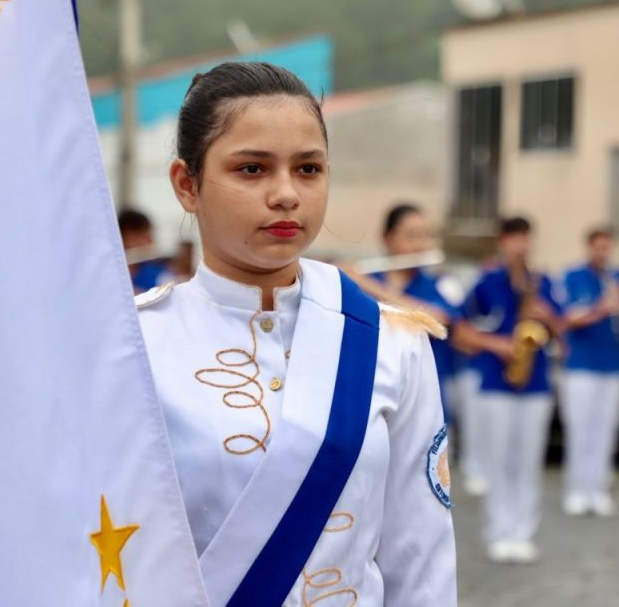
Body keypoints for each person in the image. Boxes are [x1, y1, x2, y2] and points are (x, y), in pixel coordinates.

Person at [134, 62, 456, 606]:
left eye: (308, 169)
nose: (286, 194)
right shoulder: (131, 346)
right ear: (187, 185)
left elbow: (421, 557)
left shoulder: (391, 345)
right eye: (252, 169)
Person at [453, 217, 563, 564]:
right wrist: (497, 344)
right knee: (498, 461)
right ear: (503, 242)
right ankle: (498, 531)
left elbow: (564, 335)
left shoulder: (544, 283)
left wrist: (547, 316)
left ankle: (523, 532)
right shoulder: (487, 282)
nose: (522, 245)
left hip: (537, 383)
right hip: (495, 382)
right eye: (515, 238)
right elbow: (460, 332)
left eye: (526, 239)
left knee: (529, 462)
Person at [559, 226, 619, 517]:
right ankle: (576, 490)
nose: (602, 252)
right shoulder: (572, 277)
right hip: (581, 366)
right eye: (598, 246)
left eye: (607, 247)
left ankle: (599, 489)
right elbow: (567, 318)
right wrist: (600, 309)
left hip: (614, 365)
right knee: (580, 430)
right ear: (589, 247)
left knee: (606, 431)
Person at [352, 203, 461, 419]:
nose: (421, 245)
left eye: (426, 236)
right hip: (369, 400)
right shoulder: (361, 283)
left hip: (425, 405)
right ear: (387, 238)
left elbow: (438, 321)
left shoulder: (441, 284)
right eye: (411, 236)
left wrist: (368, 286)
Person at [118, 207, 174, 293]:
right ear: (121, 238)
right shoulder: (110, 273)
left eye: (148, 236)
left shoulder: (157, 272)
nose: (149, 242)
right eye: (137, 237)